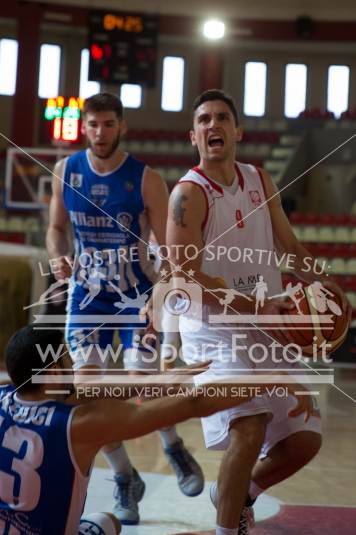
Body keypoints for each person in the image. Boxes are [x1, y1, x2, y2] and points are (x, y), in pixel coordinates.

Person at [166, 89, 351, 535]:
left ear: (238, 131)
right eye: (205, 120)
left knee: (304, 440)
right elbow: (185, 280)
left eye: (222, 118)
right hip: (216, 332)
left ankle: (237, 494)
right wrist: (259, 305)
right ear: (194, 136)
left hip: (267, 327)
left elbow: (288, 246)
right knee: (249, 429)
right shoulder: (188, 195)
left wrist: (326, 284)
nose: (214, 125)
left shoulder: (260, 179)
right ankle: (227, 529)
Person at [45, 92, 203, 525]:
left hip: (136, 297)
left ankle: (173, 447)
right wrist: (59, 255)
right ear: (84, 127)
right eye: (93, 124)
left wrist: (162, 300)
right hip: (88, 297)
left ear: (122, 126)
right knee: (88, 395)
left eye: (108, 124)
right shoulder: (65, 170)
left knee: (142, 388)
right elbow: (56, 230)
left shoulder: (146, 178)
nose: (100, 132)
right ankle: (124, 477)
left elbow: (169, 252)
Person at [0, 325, 308, 535]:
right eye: (68, 358)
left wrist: (155, 382)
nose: (74, 364)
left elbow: (84, 389)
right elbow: (194, 403)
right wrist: (271, 377)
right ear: (54, 373)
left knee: (108, 521)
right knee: (106, 523)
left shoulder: (5, 395)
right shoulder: (79, 424)